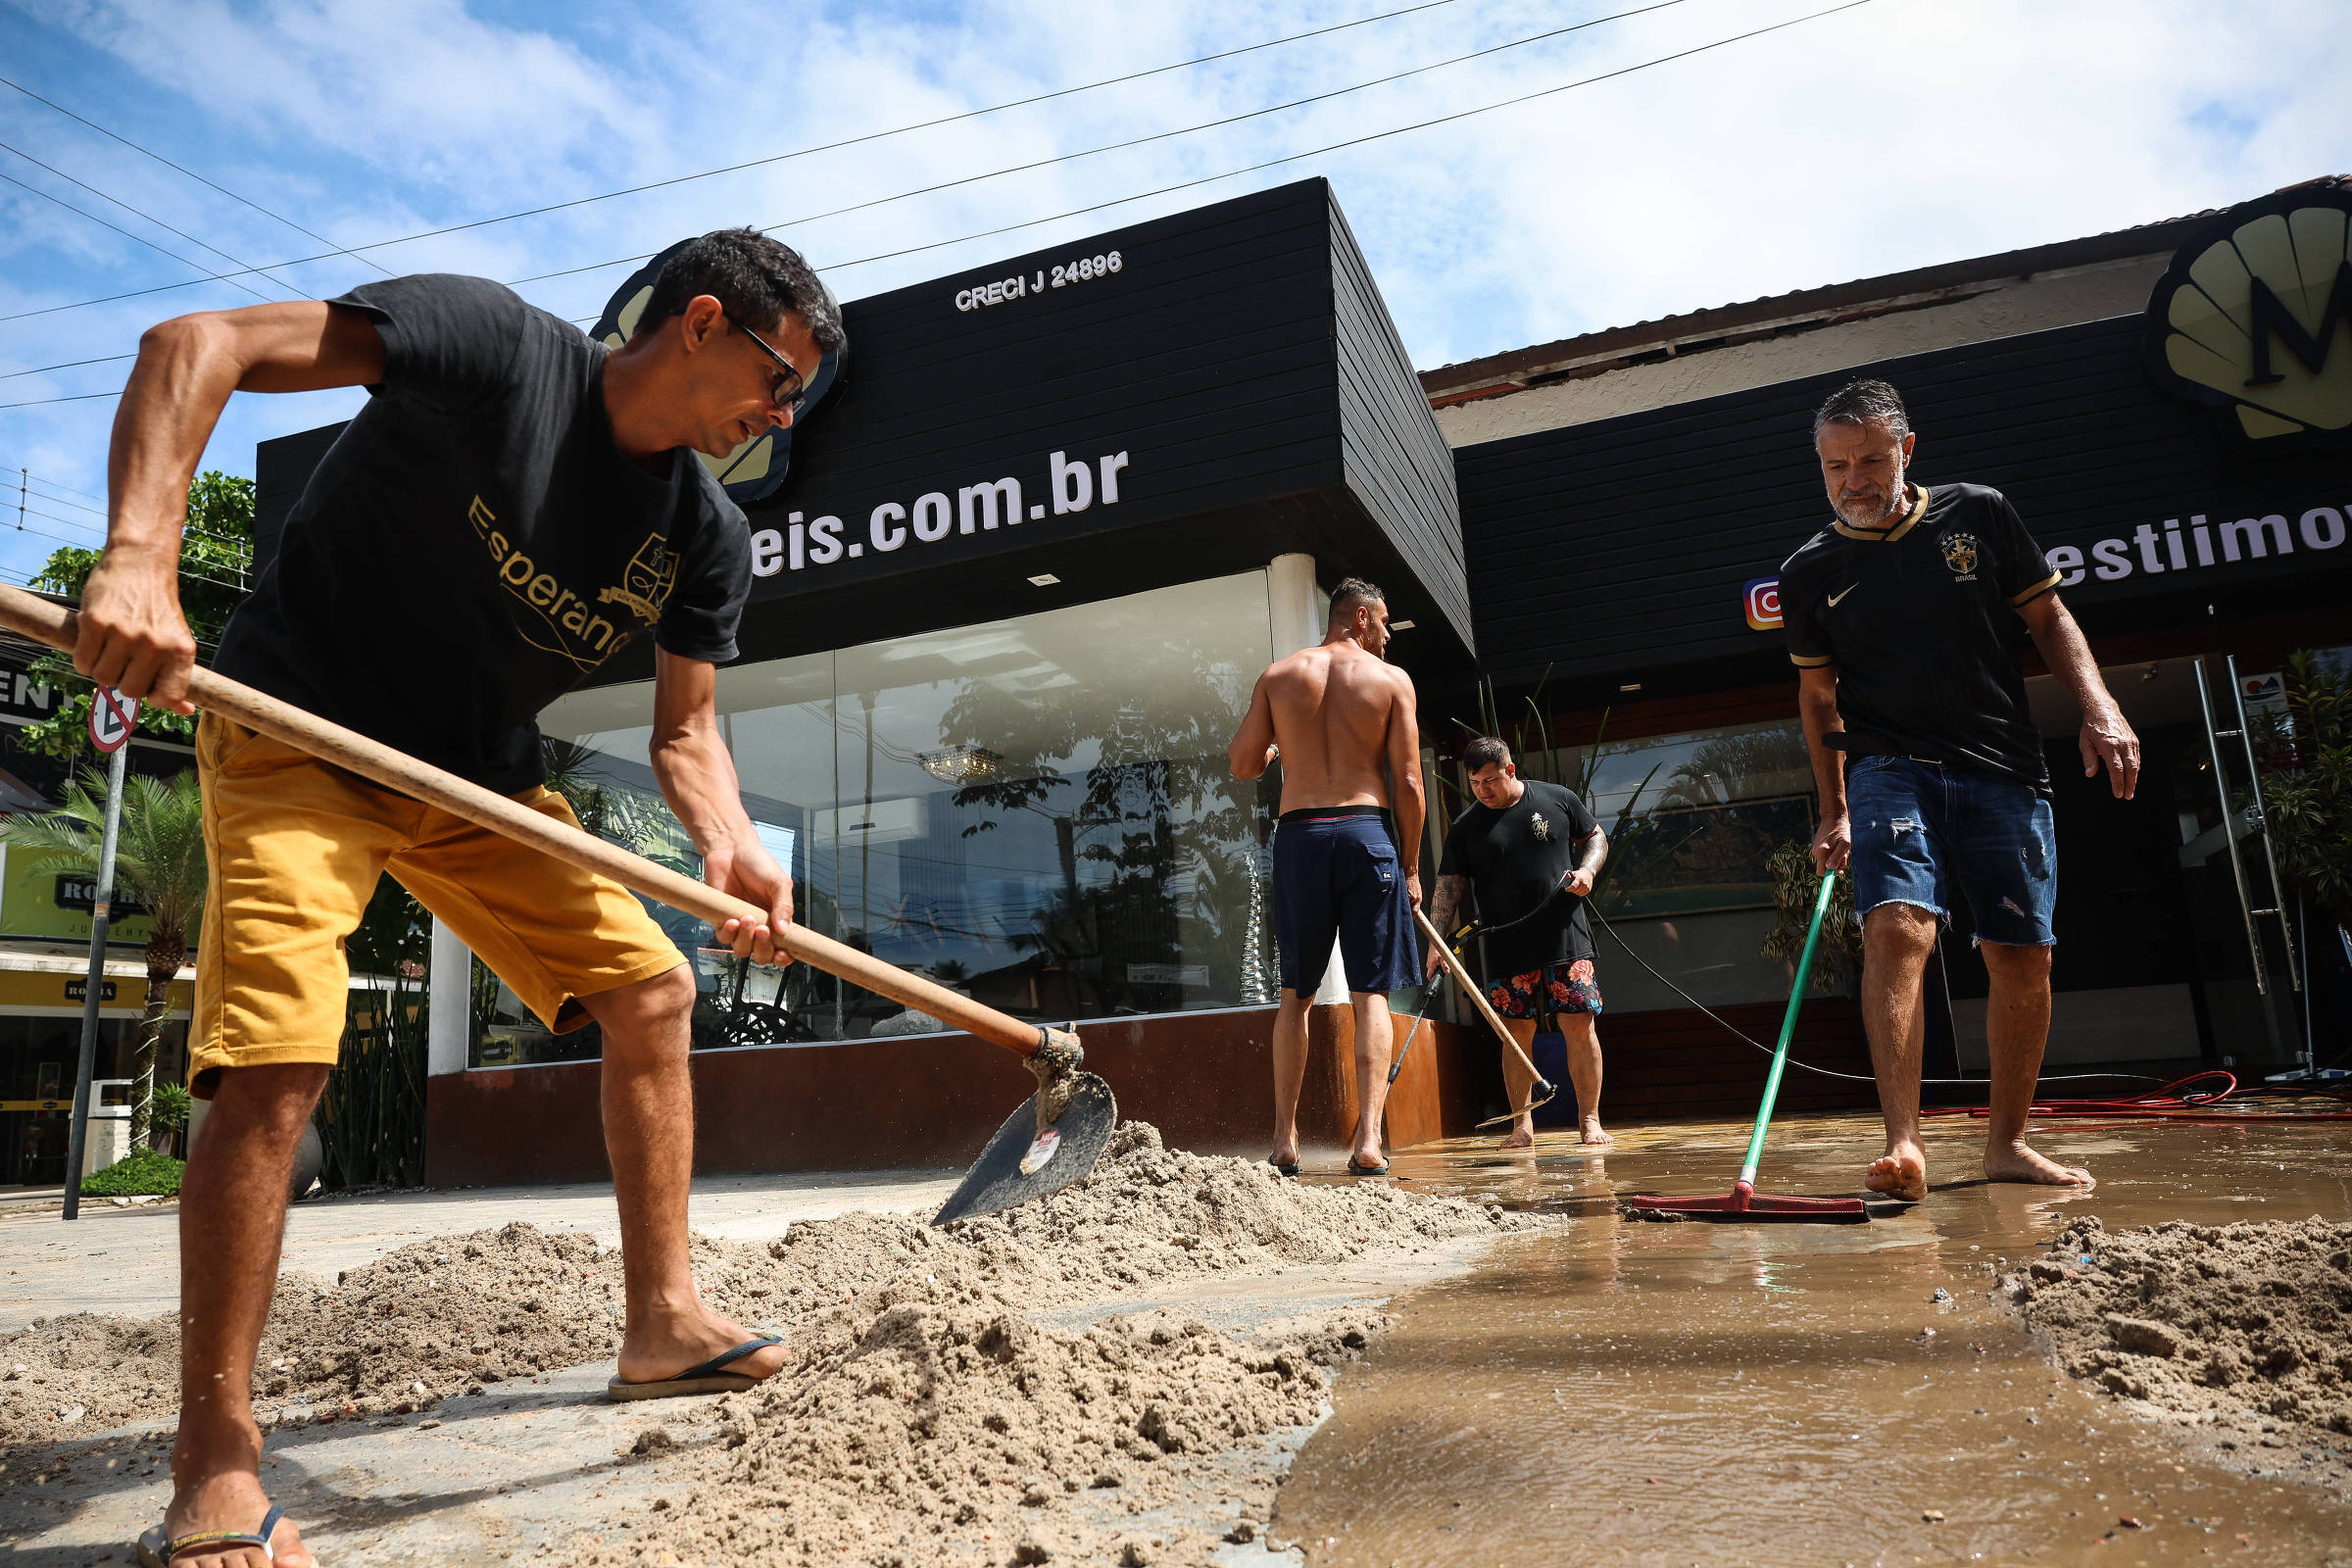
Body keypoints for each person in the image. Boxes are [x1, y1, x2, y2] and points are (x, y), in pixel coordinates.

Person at [76, 229, 845, 1568]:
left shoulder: (705, 536)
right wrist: (140, 556)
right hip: (299, 731)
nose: (779, 418)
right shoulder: (496, 350)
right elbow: (193, 346)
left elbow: (685, 733)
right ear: (708, 321)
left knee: (653, 992)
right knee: (280, 1055)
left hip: (472, 785)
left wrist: (727, 842)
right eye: (780, 383)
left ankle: (662, 1320)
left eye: (795, 406)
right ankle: (214, 1463)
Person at [1780, 378, 2138, 1203]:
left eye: (1871, 459)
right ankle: (1903, 1144)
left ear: (1908, 450)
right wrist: (1834, 806)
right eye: (1836, 466)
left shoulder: (1978, 513)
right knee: (1898, 928)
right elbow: (1817, 697)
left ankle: (2007, 1143)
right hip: (1886, 768)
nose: (1854, 480)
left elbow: (2049, 618)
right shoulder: (1809, 571)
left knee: (2022, 954)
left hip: (2002, 766)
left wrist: (2101, 707)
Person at [1228, 577, 1425, 1178]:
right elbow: (1411, 782)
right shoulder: (1390, 681)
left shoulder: (1279, 675)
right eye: (1385, 622)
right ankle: (1368, 1139)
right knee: (1371, 993)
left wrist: (1279, 748)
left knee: (1296, 995)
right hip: (1367, 832)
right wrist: (1411, 866)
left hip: (1300, 836)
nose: (1388, 636)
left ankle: (1285, 1140)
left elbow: (1241, 764)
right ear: (1360, 618)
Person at [1431, 738, 1611, 1148]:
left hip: (1567, 936)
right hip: (1506, 946)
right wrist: (1438, 943)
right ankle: (1521, 1126)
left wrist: (1588, 871)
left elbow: (1595, 837)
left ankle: (1590, 1121)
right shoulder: (1466, 828)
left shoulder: (1557, 798)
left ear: (1510, 770)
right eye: (1475, 782)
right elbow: (1449, 888)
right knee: (1515, 1034)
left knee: (1580, 1026)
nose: (1482, 790)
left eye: (1490, 780)